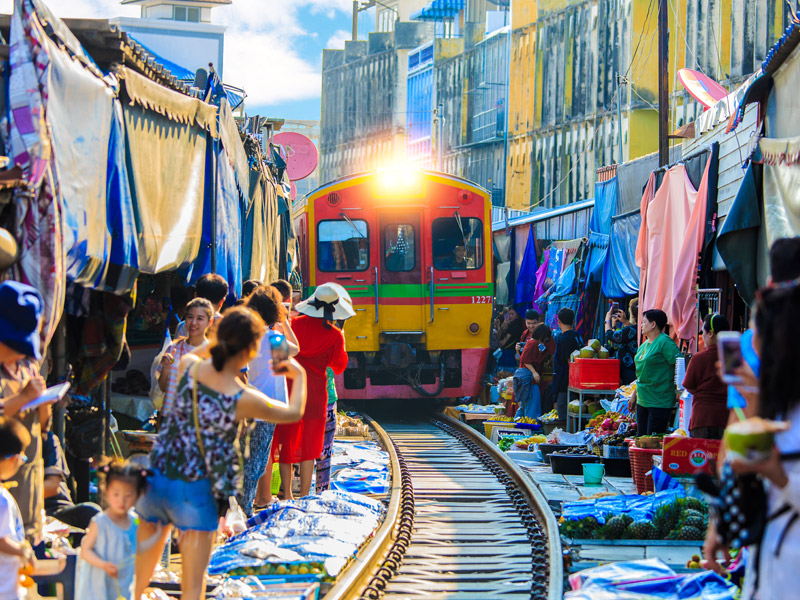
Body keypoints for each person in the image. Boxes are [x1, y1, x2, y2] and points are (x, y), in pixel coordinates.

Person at [134, 307, 307, 600]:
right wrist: (298, 373)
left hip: (162, 476)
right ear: (251, 351)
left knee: (138, 577)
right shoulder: (244, 398)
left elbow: (204, 350)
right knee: (193, 584)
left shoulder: (189, 365)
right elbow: (292, 412)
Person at [704, 283, 800, 599]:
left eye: (759, 332)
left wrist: (778, 473)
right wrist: (722, 521)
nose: (751, 342)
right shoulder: (770, 401)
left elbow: (777, 472)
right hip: (768, 569)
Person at [272, 284, 352, 500]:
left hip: (289, 389)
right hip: (316, 394)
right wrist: (341, 338)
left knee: (286, 441)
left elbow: (278, 352)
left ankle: (287, 493)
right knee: (310, 445)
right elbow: (338, 366)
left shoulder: (293, 324)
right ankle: (306, 494)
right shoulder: (335, 336)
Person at [0, 281, 54, 545]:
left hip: (29, 497)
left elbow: (43, 429)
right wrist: (21, 398)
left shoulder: (27, 369)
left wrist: (43, 403)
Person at [239, 286, 300, 516]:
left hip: (247, 402)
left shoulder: (246, 337)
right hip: (269, 405)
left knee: (247, 456)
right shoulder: (274, 338)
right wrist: (284, 322)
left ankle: (241, 504)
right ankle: (245, 508)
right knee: (258, 458)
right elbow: (296, 349)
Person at [76, 461, 146, 600]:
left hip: (122, 581)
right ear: (107, 491)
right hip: (97, 585)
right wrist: (104, 565)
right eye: (116, 494)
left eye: (128, 495)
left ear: (137, 495)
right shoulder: (100, 522)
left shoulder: (135, 521)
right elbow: (85, 551)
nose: (122, 500)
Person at [627, 309, 681, 435]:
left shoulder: (665, 342)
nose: (641, 325)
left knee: (653, 439)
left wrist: (679, 389)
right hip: (643, 399)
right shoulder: (645, 344)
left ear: (653, 324)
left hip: (659, 400)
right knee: (641, 438)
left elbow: (680, 363)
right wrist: (634, 395)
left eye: (644, 322)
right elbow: (642, 374)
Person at [157, 298, 214, 414]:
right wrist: (165, 368)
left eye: (200, 318)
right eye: (190, 317)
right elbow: (163, 388)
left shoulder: (213, 355)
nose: (193, 323)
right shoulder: (173, 349)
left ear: (210, 322)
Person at [0, 417, 34, 600]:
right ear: (13, 459)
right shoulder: (2, 499)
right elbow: (1, 541)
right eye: (22, 457)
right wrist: (24, 551)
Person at [682, 314, 730, 439]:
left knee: (701, 456)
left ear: (711, 333)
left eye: (703, 331)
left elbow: (689, 386)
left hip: (702, 418)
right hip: (727, 418)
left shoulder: (699, 358)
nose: (702, 335)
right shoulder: (733, 358)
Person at [43, 432, 100, 533]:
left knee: (91, 513)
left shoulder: (47, 440)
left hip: (57, 510)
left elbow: (52, 487)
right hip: (27, 512)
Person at [514, 324, 556, 419]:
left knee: (524, 407)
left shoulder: (536, 344)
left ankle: (517, 425)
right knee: (532, 406)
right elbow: (525, 360)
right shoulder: (532, 344)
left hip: (526, 379)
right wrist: (534, 372)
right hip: (529, 379)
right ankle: (530, 428)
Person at [553, 308, 583, 419]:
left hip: (566, 384)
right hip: (575, 383)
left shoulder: (564, 339)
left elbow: (570, 363)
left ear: (558, 321)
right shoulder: (577, 336)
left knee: (566, 416)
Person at [605, 298, 639, 385]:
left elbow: (610, 335)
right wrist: (624, 322)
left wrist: (607, 320)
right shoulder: (636, 329)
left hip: (629, 369)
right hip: (635, 368)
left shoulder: (632, 329)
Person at [315, 366, 339, 494]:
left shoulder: (298, 344)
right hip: (326, 397)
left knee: (301, 447)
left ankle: (297, 489)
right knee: (325, 449)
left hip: (302, 395)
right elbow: (339, 365)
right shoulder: (329, 344)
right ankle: (322, 490)